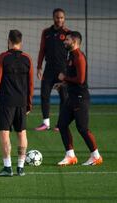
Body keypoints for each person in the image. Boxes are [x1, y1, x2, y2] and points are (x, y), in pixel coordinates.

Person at [55, 31, 103, 166]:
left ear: (74, 42)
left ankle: (96, 156)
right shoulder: (71, 55)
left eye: (67, 40)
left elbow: (80, 80)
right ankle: (70, 156)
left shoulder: (79, 57)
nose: (64, 41)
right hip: (72, 97)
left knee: (82, 128)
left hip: (80, 98)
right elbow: (73, 77)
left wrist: (64, 78)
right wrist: (63, 83)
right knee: (62, 124)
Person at [0, 30, 34, 176]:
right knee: (22, 133)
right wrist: (29, 103)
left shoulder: (2, 57)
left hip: (6, 101)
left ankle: (7, 167)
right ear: (20, 41)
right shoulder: (27, 58)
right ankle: (20, 168)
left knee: (4, 133)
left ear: (8, 40)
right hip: (21, 102)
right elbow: (31, 84)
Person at [35, 8, 69, 131]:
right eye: (57, 17)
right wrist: (39, 67)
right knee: (44, 94)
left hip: (62, 70)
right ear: (53, 18)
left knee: (64, 97)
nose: (59, 19)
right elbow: (42, 50)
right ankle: (46, 123)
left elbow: (72, 52)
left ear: (64, 19)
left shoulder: (67, 33)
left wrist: (69, 71)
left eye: (61, 17)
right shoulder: (46, 32)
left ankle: (61, 124)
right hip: (49, 69)